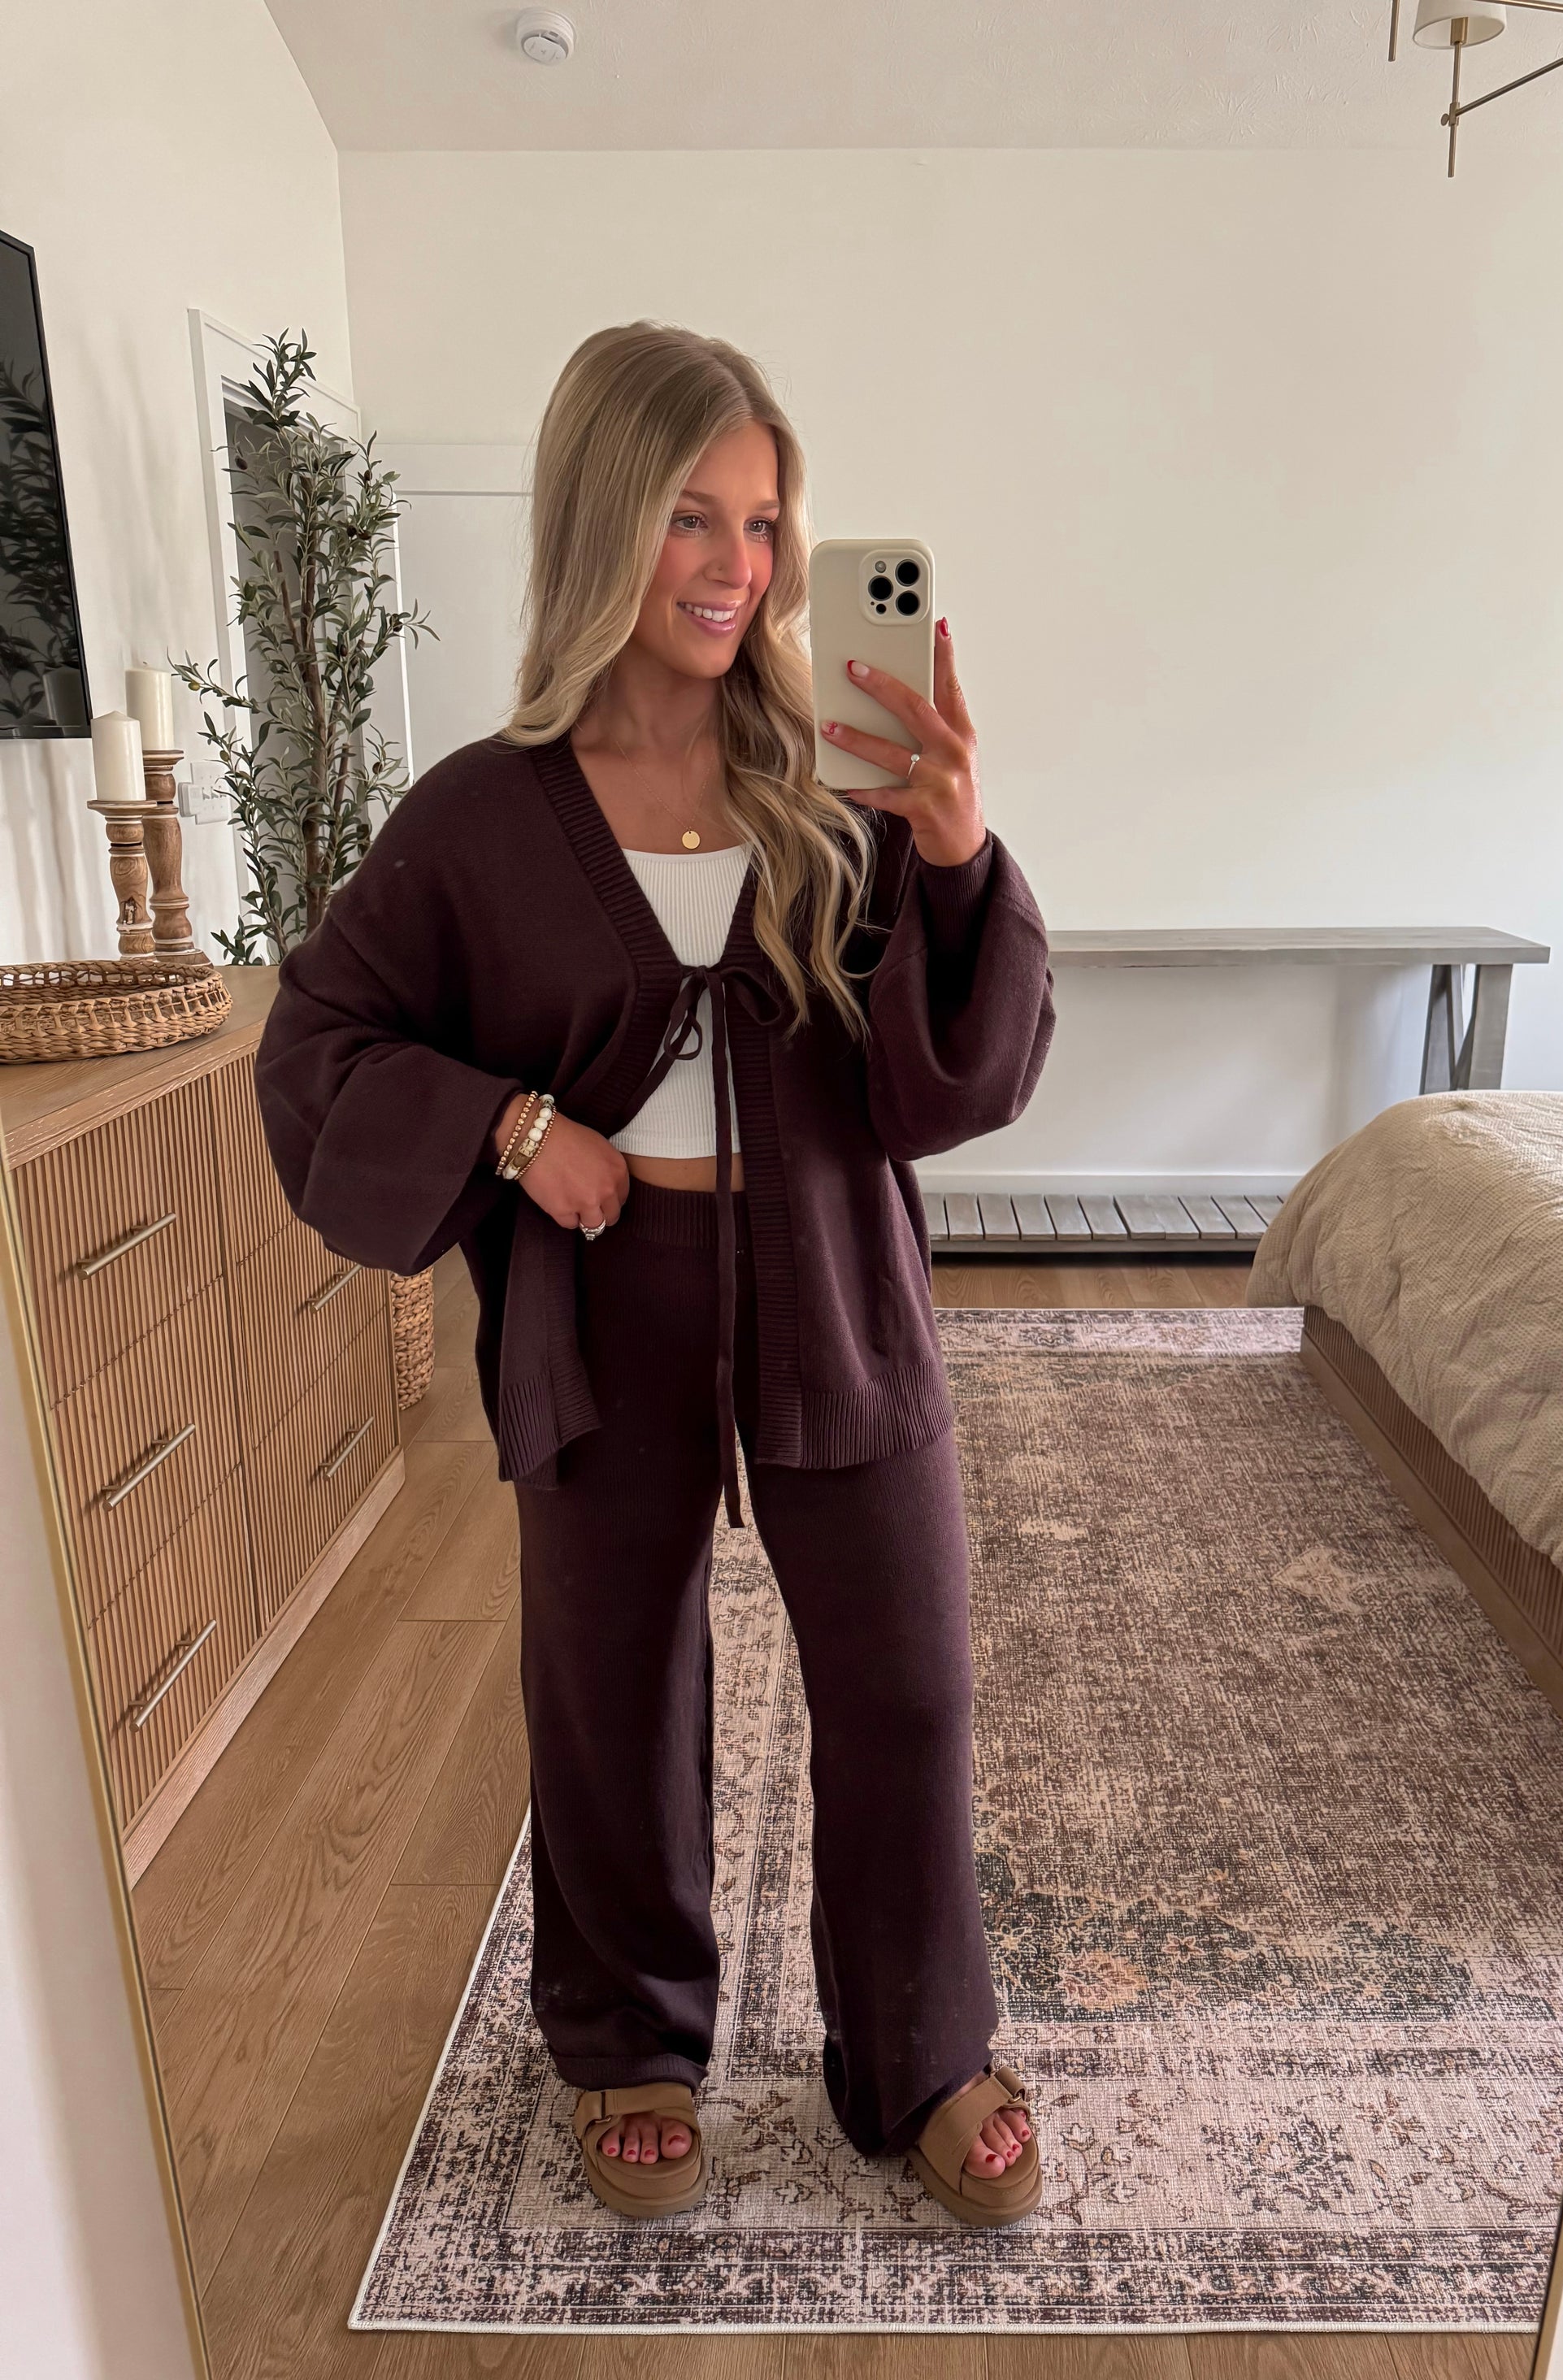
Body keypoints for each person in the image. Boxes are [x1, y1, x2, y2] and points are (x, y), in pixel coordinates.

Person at [254, 321, 1056, 2228]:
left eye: (763, 523)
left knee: (907, 1681)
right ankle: (629, 2039)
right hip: (605, 1294)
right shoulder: (480, 813)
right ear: (602, 519)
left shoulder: (839, 782)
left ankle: (922, 2052)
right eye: (693, 517)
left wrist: (955, 857)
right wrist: (515, 1132)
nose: (735, 567)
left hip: (833, 1273)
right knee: (610, 1683)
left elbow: (949, 1084)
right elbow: (317, 1045)